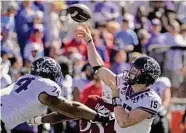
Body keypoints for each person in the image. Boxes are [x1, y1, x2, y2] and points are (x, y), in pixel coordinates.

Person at [78, 25, 162, 133]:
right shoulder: (124, 81)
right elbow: (99, 68)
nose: (131, 71)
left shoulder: (151, 100)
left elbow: (124, 122)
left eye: (136, 70)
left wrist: (116, 96)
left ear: (146, 76)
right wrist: (89, 43)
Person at [0, 57, 112, 132]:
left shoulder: (25, 79)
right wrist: (99, 117)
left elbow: (63, 114)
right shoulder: (45, 85)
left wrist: (41, 120)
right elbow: (71, 108)